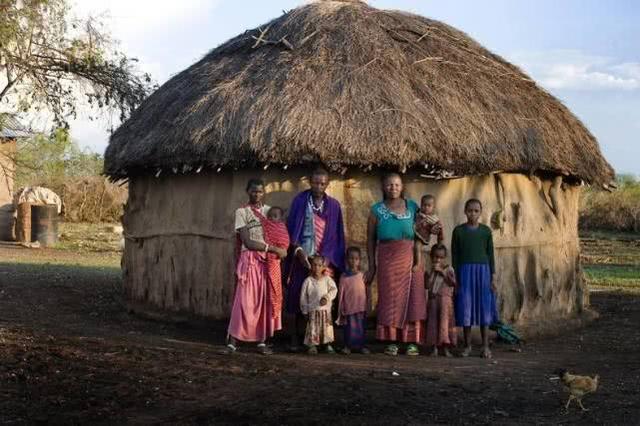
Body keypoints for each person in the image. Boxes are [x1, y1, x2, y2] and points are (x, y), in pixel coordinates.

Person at [365, 173, 426, 356]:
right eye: (390, 185)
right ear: (384, 187)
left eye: (397, 185)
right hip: (387, 259)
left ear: (402, 187)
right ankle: (391, 340)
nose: (393, 188)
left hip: (411, 258)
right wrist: (372, 266)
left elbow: (422, 234)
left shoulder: (413, 207)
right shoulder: (376, 210)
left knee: (413, 298)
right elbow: (370, 240)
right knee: (390, 299)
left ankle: (411, 342)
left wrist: (419, 259)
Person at [285, 167, 346, 351]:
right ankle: (296, 335)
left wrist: (327, 259)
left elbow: (337, 235)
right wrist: (299, 251)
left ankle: (324, 338)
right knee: (298, 293)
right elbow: (292, 228)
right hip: (302, 256)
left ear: (327, 184)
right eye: (315, 182)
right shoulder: (300, 201)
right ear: (309, 182)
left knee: (324, 297)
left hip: (324, 259)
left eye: (322, 183)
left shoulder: (334, 206)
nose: (319, 186)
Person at [224, 179, 288, 355]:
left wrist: (286, 249)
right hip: (250, 261)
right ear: (247, 191)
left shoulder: (269, 212)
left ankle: (262, 341)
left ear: (264, 192)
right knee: (243, 300)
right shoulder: (242, 212)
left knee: (264, 301)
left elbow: (280, 231)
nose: (257, 194)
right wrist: (273, 248)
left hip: (267, 262)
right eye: (253, 191)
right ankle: (232, 342)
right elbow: (247, 241)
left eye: (260, 191)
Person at [451, 198, 498, 359]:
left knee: (484, 308)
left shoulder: (486, 231)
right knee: (466, 308)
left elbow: (490, 255)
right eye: (470, 210)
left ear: (480, 212)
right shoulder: (458, 231)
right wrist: (456, 279)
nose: (473, 213)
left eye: (476, 211)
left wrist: (492, 278)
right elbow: (455, 256)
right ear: (465, 211)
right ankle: (467, 346)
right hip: (464, 273)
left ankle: (485, 347)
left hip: (483, 273)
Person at [300, 255, 338, 355]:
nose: (317, 268)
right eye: (314, 265)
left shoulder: (327, 279)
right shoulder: (308, 281)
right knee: (313, 329)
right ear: (311, 266)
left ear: (323, 267)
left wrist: (327, 297)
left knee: (326, 329)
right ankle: (312, 345)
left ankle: (327, 344)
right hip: (313, 311)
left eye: (319, 265)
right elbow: (303, 297)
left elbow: (334, 290)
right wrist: (304, 310)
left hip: (325, 311)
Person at [425, 244, 458, 357]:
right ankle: (434, 348)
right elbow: (426, 285)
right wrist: (431, 274)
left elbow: (453, 283)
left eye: (441, 257)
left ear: (445, 258)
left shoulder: (449, 269)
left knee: (445, 324)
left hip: (445, 301)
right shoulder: (429, 270)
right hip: (433, 300)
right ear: (431, 257)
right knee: (433, 323)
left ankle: (446, 349)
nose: (438, 260)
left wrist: (442, 272)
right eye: (435, 257)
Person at [336, 247, 370, 355]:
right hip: (348, 307)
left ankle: (361, 346)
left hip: (360, 307)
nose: (353, 261)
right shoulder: (343, 277)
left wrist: (368, 305)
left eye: (356, 258)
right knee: (349, 328)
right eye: (351, 258)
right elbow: (341, 293)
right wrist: (340, 307)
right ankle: (347, 346)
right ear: (346, 259)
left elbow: (367, 292)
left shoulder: (362, 276)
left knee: (360, 328)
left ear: (359, 260)